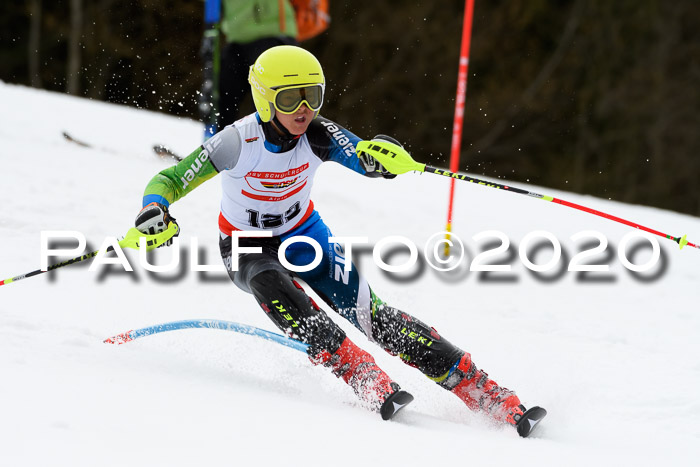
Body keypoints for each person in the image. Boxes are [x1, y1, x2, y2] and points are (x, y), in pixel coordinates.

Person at [135, 45, 544, 434]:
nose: (304, 109)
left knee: (375, 317)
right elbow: (170, 178)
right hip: (246, 242)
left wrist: (381, 159)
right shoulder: (236, 142)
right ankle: (359, 372)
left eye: (313, 95)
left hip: (304, 234)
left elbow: (362, 154)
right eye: (291, 98)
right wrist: (155, 208)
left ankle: (483, 391)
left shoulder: (318, 133)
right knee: (268, 280)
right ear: (264, 98)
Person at [217, 0, 299, 132]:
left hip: (272, 32)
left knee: (269, 100)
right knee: (223, 98)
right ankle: (221, 144)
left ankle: (275, 145)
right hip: (237, 36)